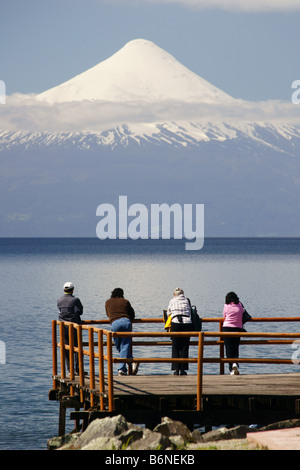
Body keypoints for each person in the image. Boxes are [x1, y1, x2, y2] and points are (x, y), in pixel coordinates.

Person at [105, 288, 139, 376]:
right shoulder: (125, 301)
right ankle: (131, 361)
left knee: (119, 346)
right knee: (125, 345)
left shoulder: (108, 302)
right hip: (126, 322)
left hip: (115, 323)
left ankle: (122, 368)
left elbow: (108, 314)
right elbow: (132, 315)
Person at [57, 282, 83, 375]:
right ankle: (77, 370)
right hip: (74, 327)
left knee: (66, 348)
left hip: (63, 327)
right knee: (76, 348)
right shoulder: (75, 300)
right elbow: (80, 311)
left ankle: (69, 370)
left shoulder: (59, 300)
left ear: (64, 290)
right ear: (72, 289)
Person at [167, 287, 192, 375]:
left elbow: (168, 313)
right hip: (187, 323)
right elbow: (190, 312)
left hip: (176, 323)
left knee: (175, 346)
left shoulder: (172, 301)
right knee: (185, 346)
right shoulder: (187, 301)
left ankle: (176, 369)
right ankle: (183, 369)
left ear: (174, 295)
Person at [222, 291, 244, 375]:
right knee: (235, 348)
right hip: (237, 328)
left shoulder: (226, 306)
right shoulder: (240, 305)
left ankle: (231, 368)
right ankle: (235, 363)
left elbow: (224, 316)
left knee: (228, 349)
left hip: (227, 328)